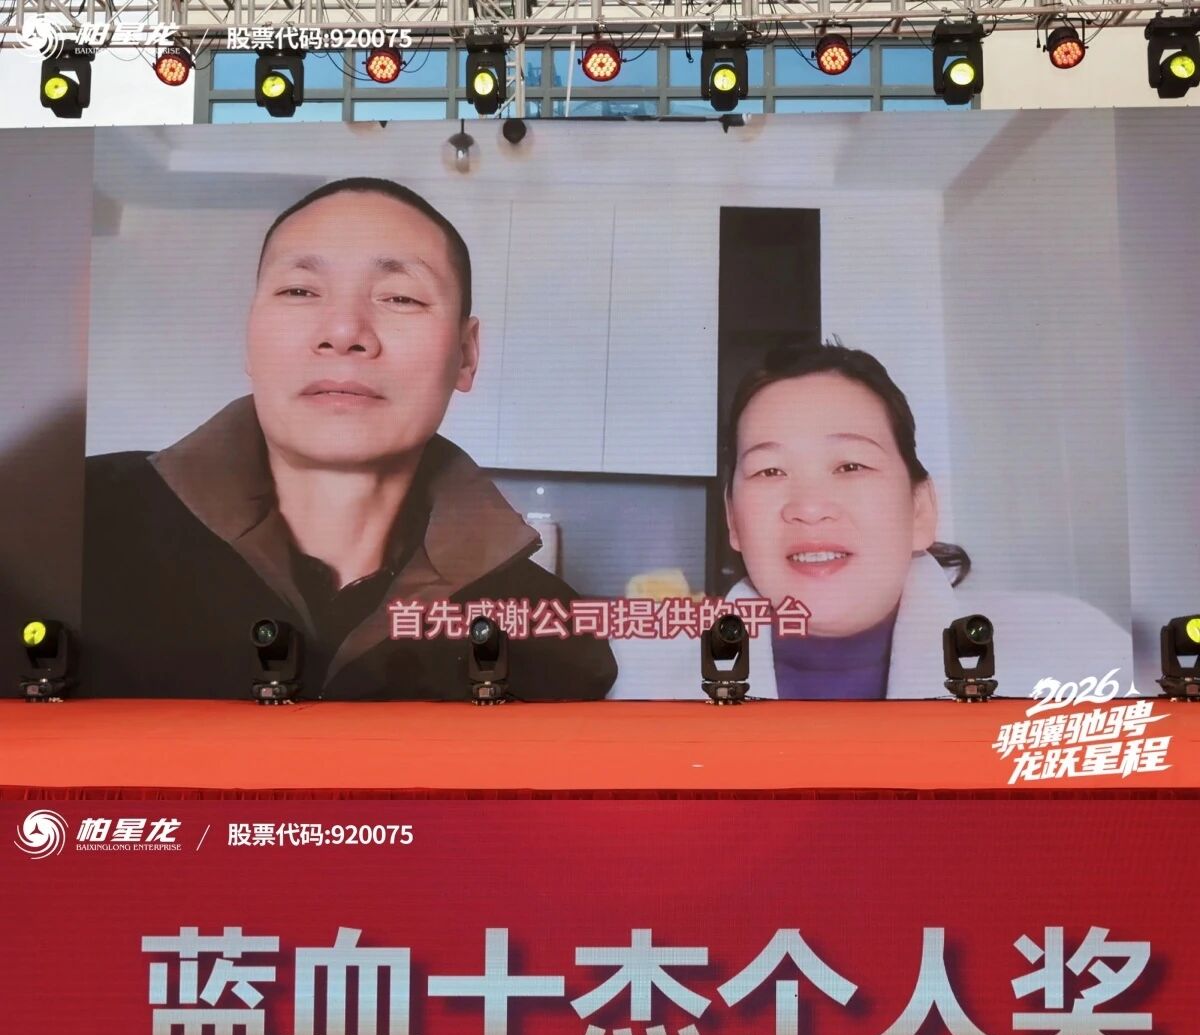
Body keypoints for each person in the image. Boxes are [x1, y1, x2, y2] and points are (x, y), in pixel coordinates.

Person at [83, 177, 616, 701]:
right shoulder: (74, 523)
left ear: (466, 354)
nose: (343, 333)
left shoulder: (549, 637)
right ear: (249, 337)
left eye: (400, 298)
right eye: (299, 291)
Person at [609, 340, 1132, 699]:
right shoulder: (630, 673)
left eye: (850, 466)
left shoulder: (1075, 651)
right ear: (734, 521)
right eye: (770, 470)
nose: (809, 506)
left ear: (920, 509)